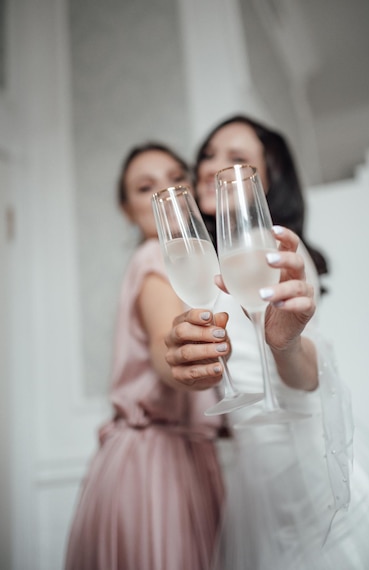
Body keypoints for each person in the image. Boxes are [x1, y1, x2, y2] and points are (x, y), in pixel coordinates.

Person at [164, 115, 369, 569]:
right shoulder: (198, 264)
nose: (210, 167)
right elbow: (194, 365)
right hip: (253, 479)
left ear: (267, 181)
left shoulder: (281, 250)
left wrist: (284, 345)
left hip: (311, 469)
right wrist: (185, 364)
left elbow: (307, 374)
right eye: (207, 154)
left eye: (236, 158)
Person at [65, 143, 225, 570]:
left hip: (174, 454)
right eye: (145, 187)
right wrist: (183, 362)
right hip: (157, 462)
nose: (166, 194)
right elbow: (163, 341)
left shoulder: (200, 264)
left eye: (176, 178)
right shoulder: (155, 256)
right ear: (126, 209)